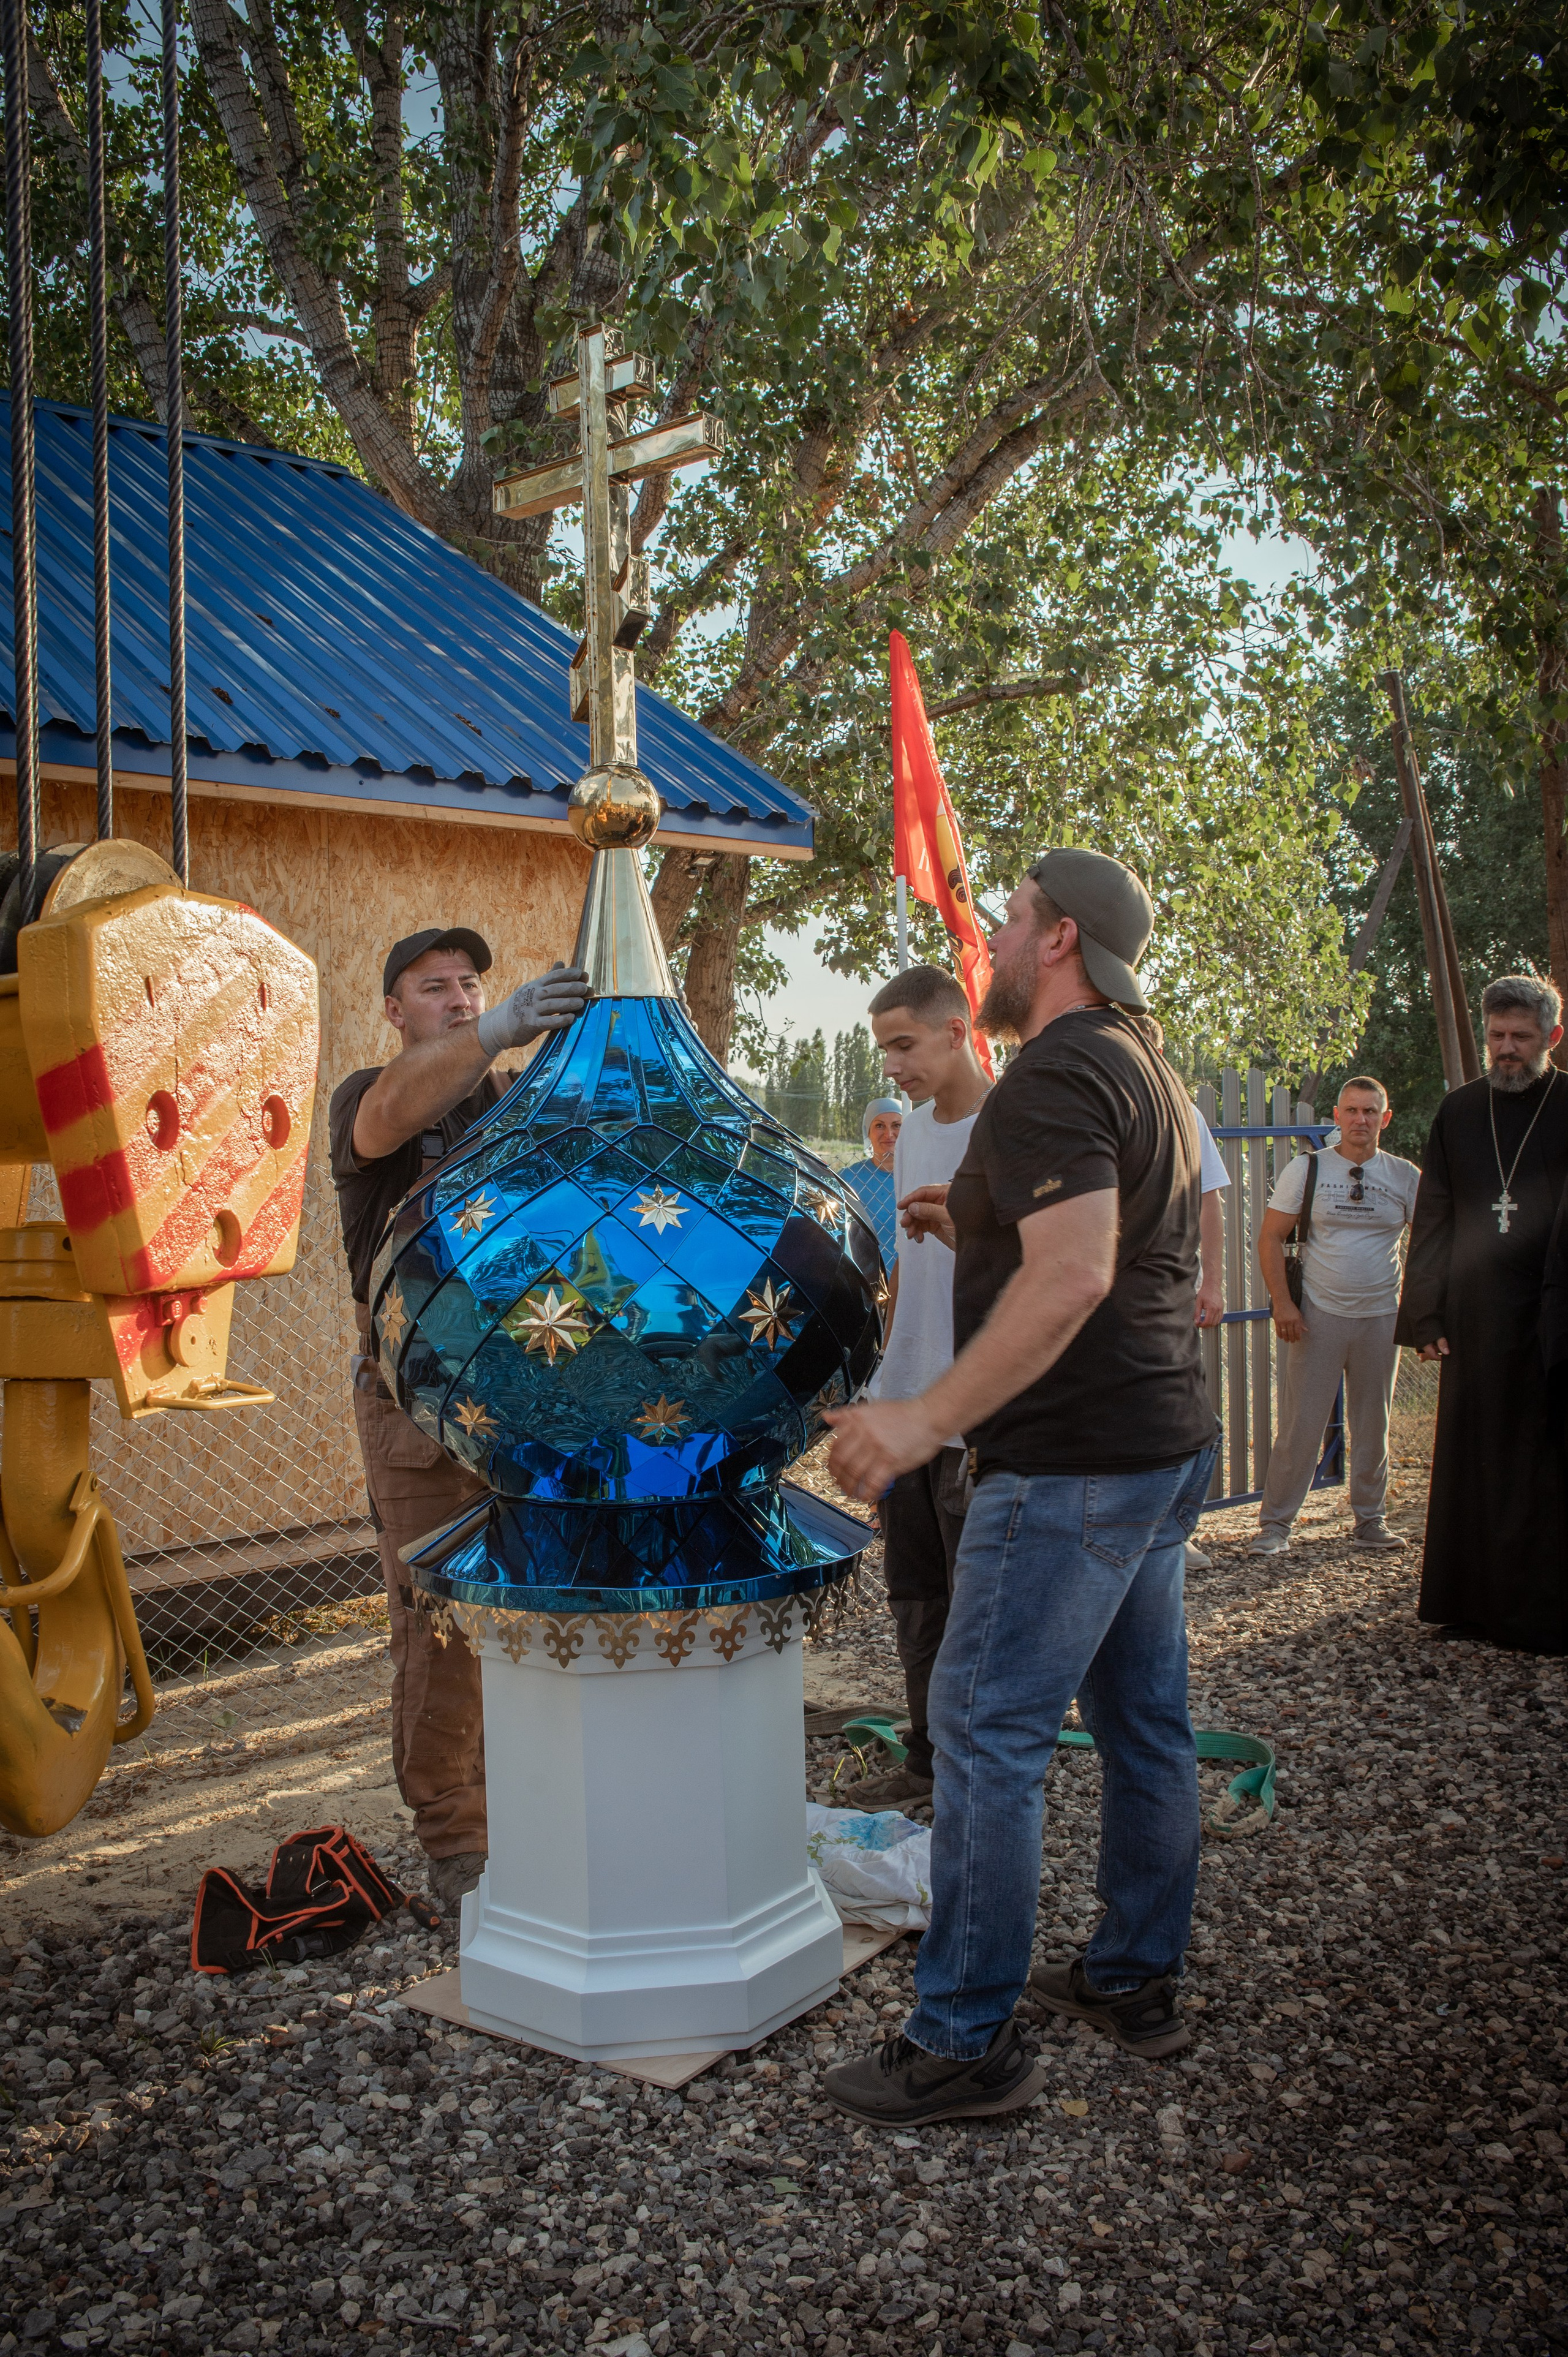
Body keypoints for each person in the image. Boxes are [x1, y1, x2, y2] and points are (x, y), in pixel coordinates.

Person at [821, 848, 1219, 2126]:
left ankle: (961, 2039)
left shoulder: (1051, 1068)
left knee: (986, 1733)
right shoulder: (1142, 1061)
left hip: (1071, 1465)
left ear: (1055, 939)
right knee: (1142, 1720)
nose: (988, 934)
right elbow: (1123, 1237)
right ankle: (1129, 1977)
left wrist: (919, 1416)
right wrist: (969, 1224)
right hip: (1160, 1444)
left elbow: (1076, 1274)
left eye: (1006, 916)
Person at [330, 929, 589, 1907]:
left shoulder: (509, 1102)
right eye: (433, 988)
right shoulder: (366, 1098)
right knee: (439, 1619)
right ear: (395, 1012)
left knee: (539, 1596)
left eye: (471, 984)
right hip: (417, 1387)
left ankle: (542, 1804)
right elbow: (398, 1110)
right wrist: (504, 1029)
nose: (459, 998)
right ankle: (459, 1843)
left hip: (531, 1378)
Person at [844, 967, 992, 1812]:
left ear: (956, 1029)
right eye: (883, 1050)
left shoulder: (1014, 1126)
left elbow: (1042, 1273)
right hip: (914, 1406)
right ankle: (928, 1764)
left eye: (904, 1045)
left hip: (978, 1413)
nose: (892, 1067)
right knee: (915, 1598)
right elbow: (907, 1272)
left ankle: (981, 1780)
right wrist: (884, 1382)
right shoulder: (915, 1139)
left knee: (978, 1609)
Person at [1396, 975, 1568, 1654]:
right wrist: (1425, 1312)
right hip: (1474, 1311)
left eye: (1519, 1038)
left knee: (1543, 1460)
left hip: (1552, 1310)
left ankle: (1543, 1611)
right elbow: (1434, 1212)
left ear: (1550, 1038)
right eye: (1496, 1036)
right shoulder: (1460, 1110)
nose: (1504, 1049)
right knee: (1475, 1454)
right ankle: (1469, 1601)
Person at [1250, 1076, 1420, 1559]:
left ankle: (1371, 1521)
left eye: (1370, 1112)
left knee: (1373, 1424)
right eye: (1351, 1111)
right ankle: (1275, 1526)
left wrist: (1425, 1314)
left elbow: (1432, 1241)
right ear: (1337, 1115)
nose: (1360, 1120)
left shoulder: (1405, 1176)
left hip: (1382, 1315)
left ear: (1385, 1119)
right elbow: (1269, 1239)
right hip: (1317, 1316)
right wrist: (1283, 1304)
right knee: (1301, 1425)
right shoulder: (1307, 1170)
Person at [840, 1096, 903, 1264]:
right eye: (879, 1126)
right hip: (867, 1282)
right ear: (868, 1132)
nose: (889, 1134)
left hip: (914, 1279)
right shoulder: (848, 1178)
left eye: (897, 1125)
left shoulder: (919, 1175)